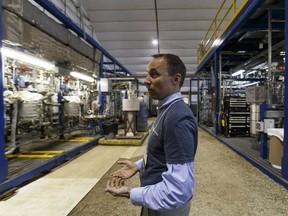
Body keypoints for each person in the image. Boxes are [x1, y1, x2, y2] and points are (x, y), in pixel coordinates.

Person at [105, 53, 198, 216]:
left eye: (154, 74)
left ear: (175, 80)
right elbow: (163, 153)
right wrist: (139, 165)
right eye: (148, 74)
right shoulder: (166, 110)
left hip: (166, 207)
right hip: (155, 199)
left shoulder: (177, 118)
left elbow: (178, 190)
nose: (146, 80)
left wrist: (131, 193)